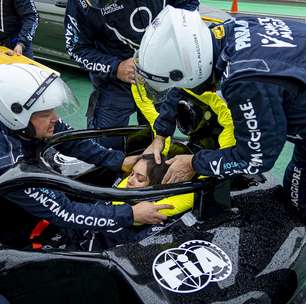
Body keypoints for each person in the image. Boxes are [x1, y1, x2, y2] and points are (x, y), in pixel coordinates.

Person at [135, 6, 306, 217]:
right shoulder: (223, 33)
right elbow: (180, 84)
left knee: (299, 203)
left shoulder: (245, 81)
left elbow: (255, 159)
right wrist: (161, 133)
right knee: (296, 191)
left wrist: (195, 163)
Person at [0, 63, 173, 246]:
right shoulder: (8, 164)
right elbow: (65, 212)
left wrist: (118, 161)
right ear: (16, 115)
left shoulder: (21, 119)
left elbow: (70, 140)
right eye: (45, 113)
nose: (55, 118)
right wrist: (131, 214)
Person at [64, 0, 199, 151]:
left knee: (159, 140)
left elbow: (189, 4)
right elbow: (76, 48)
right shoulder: (79, 4)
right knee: (106, 145)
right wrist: (115, 67)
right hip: (114, 83)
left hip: (160, 77)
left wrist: (178, 33)